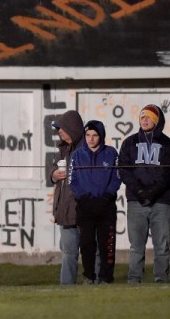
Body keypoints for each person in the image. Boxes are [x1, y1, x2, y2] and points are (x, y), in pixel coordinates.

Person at [118, 104, 170, 284]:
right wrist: (139, 191)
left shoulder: (169, 145)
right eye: (142, 117)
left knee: (162, 245)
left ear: (157, 120)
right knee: (136, 246)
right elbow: (123, 169)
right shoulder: (129, 143)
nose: (144, 120)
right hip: (135, 202)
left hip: (161, 202)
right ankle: (134, 278)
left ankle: (161, 277)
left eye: (148, 117)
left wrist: (153, 192)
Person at [68, 120, 121, 284]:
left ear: (101, 136)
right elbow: (72, 180)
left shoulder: (111, 153)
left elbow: (117, 178)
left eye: (95, 135)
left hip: (106, 207)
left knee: (107, 245)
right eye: (88, 135)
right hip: (85, 207)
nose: (91, 139)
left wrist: (106, 196)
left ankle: (106, 277)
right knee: (86, 244)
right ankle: (88, 276)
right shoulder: (77, 155)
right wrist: (84, 198)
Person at [49, 110, 84, 285]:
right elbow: (52, 170)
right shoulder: (62, 149)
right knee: (68, 251)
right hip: (65, 209)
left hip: (84, 208)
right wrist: (54, 174)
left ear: (72, 128)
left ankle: (94, 282)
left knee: (92, 251)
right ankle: (67, 285)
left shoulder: (86, 149)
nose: (59, 132)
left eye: (61, 128)